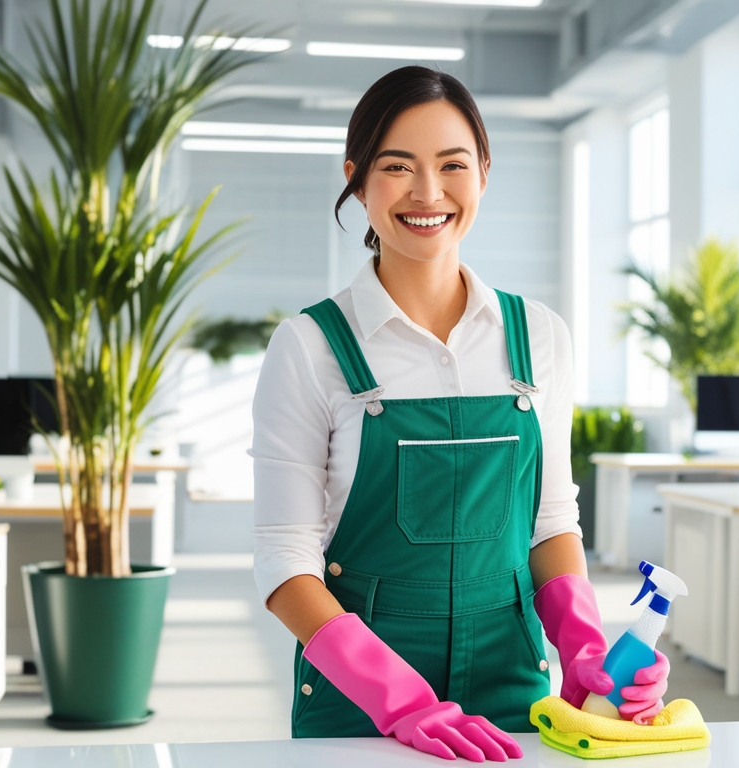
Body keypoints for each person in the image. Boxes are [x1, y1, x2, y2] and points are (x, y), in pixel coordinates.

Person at [251, 66, 670, 762]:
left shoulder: (539, 336)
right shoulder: (311, 346)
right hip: (361, 699)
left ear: (483, 173)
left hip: (515, 686)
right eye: (397, 166)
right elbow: (285, 562)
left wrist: (585, 647)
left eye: (452, 165)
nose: (427, 192)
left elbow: (550, 522)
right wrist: (397, 696)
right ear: (356, 178)